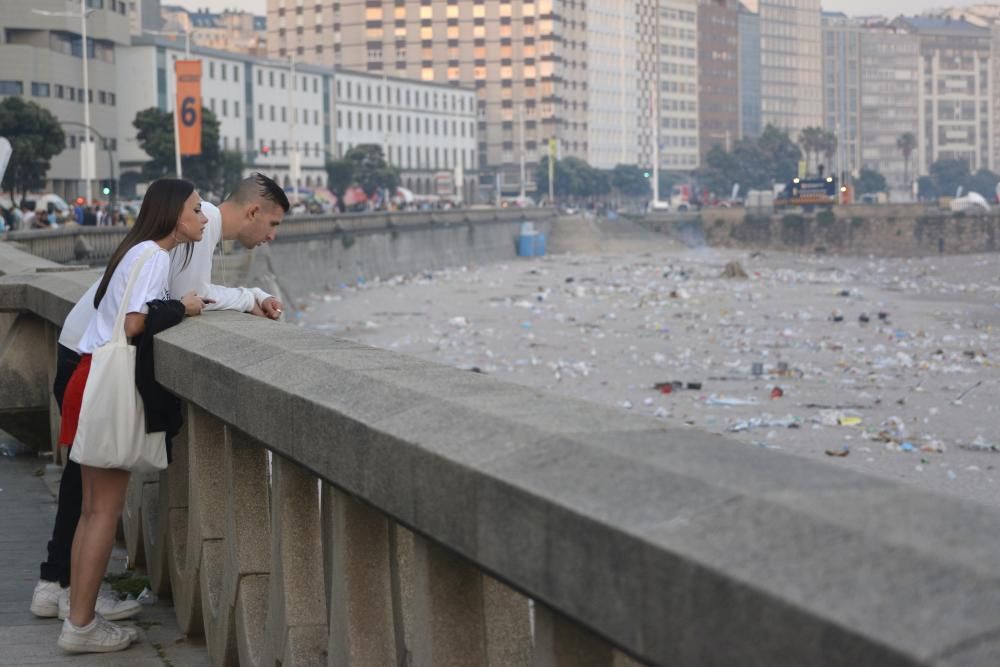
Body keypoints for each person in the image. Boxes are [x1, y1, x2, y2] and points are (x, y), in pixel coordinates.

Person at [30, 173, 289, 624]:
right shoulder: (194, 228)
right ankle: (66, 596)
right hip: (94, 357)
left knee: (84, 484)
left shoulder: (168, 236)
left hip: (85, 347)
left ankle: (61, 589)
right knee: (92, 492)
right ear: (253, 211)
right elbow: (180, 302)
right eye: (273, 224)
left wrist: (247, 296)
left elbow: (190, 297)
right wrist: (250, 297)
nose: (271, 236)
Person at [55, 178, 208, 653]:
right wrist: (180, 307)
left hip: (87, 376)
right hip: (107, 385)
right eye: (198, 209)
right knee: (103, 512)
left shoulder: (134, 249)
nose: (204, 218)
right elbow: (134, 322)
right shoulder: (156, 256)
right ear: (175, 217)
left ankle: (77, 613)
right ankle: (80, 626)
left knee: (90, 510)